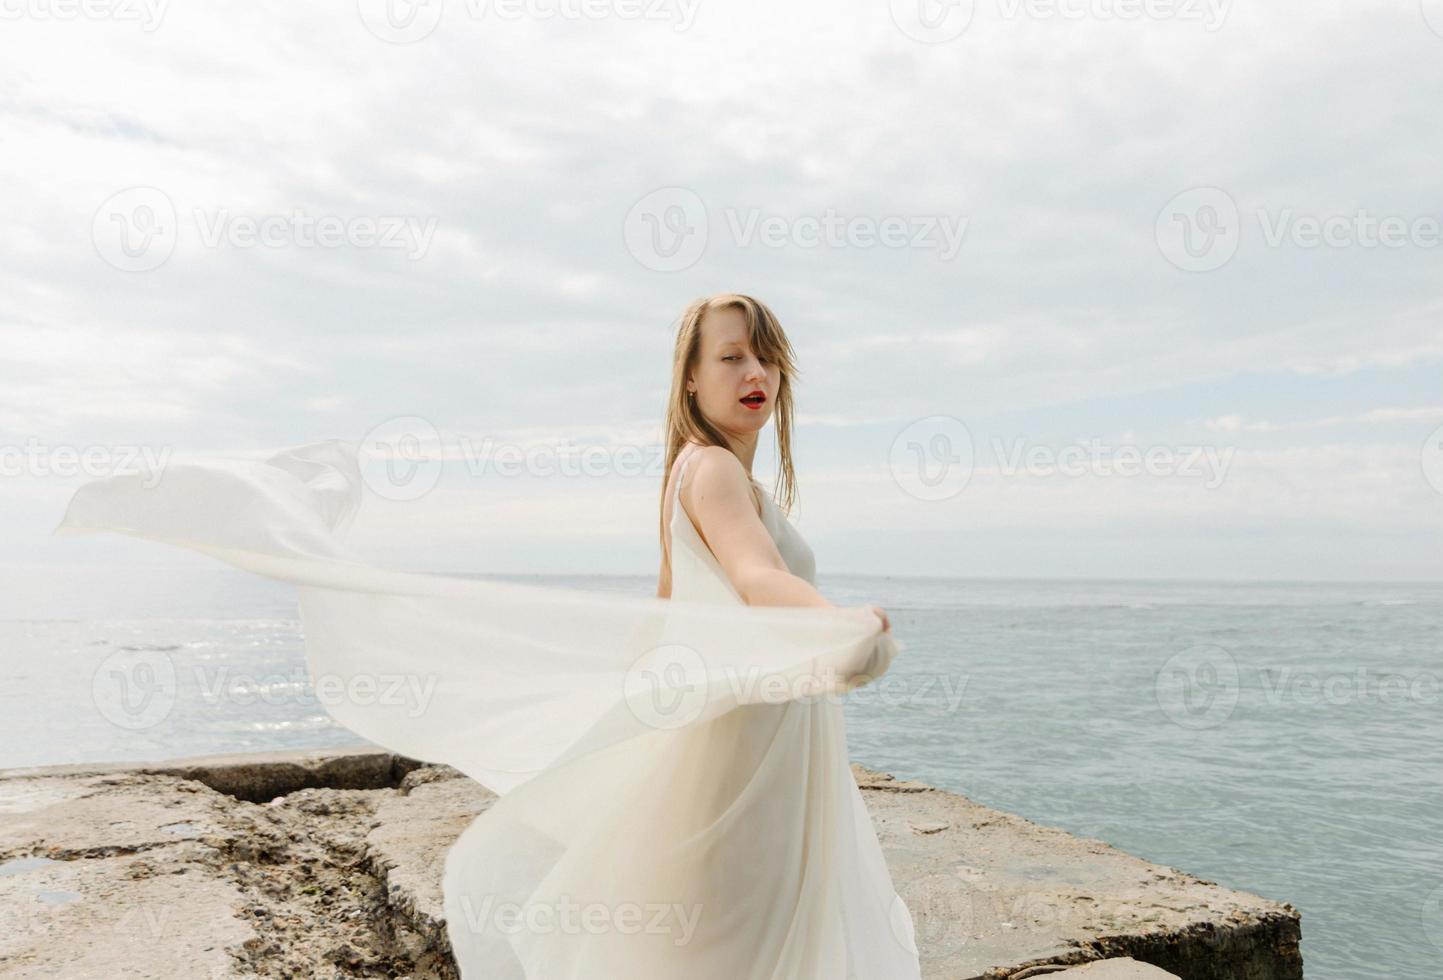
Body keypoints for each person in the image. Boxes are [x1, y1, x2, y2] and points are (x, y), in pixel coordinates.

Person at [53, 292, 918, 978]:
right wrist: (837, 622)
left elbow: (666, 609)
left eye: (765, 354)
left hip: (740, 736)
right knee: (744, 932)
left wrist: (622, 716)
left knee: (716, 931)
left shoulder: (691, 471)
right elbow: (755, 577)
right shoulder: (714, 469)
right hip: (745, 748)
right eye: (730, 355)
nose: (753, 369)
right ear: (690, 381)